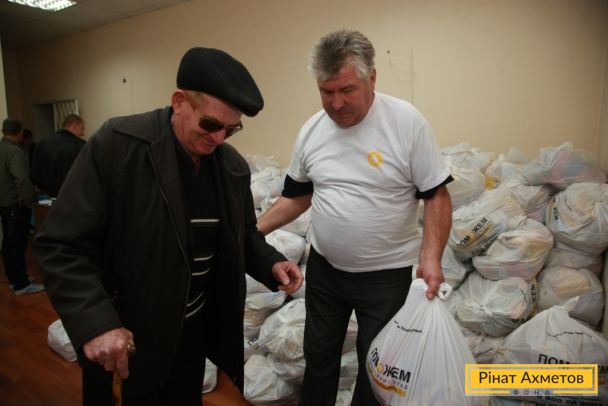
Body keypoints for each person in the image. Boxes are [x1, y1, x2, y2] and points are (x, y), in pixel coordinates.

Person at [33, 47, 303, 405]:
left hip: (190, 341)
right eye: (210, 124)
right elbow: (61, 245)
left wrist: (271, 263)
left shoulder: (231, 168)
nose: (218, 138)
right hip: (127, 339)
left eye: (231, 129)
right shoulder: (118, 146)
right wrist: (96, 322)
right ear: (179, 102)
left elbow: (242, 235)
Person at [256, 29, 453, 405]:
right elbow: (297, 196)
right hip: (326, 272)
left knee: (377, 366)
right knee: (319, 357)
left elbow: (436, 195)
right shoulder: (312, 130)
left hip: (386, 277)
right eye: (326, 92)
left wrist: (431, 258)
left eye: (347, 90)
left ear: (372, 78)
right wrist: (251, 230)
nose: (336, 103)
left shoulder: (406, 122)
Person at [0, 118, 44, 295]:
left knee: (8, 242)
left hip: (4, 204)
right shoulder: (14, 151)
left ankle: (13, 278)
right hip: (16, 205)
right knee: (18, 244)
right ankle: (21, 284)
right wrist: (29, 200)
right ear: (19, 132)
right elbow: (22, 179)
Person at [31, 114, 86, 197]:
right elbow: (87, 174)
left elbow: (34, 174)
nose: (82, 133)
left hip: (48, 195)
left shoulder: (42, 144)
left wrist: (46, 189)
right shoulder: (81, 146)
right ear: (74, 126)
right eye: (82, 129)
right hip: (73, 196)